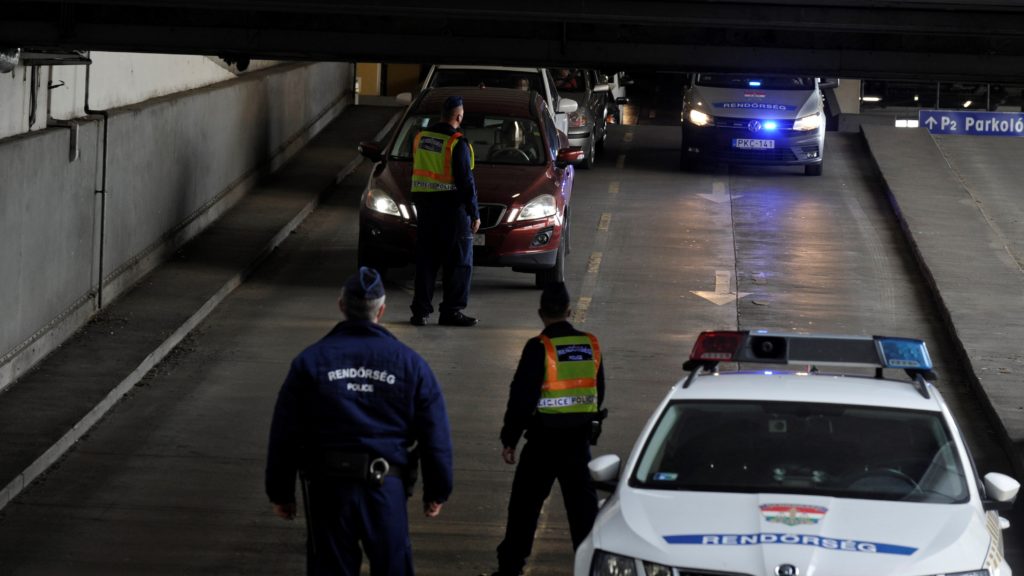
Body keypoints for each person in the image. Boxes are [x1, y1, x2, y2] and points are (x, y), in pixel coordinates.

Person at [266, 267, 454, 576]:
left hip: (328, 492)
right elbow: (435, 434)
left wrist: (280, 492)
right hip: (385, 489)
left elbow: (284, 432)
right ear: (381, 310)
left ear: (341, 306)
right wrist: (437, 490)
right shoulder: (410, 365)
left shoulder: (310, 362)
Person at [488, 282, 607, 576]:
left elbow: (521, 397)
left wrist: (510, 438)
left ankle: (510, 569)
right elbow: (598, 391)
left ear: (541, 313)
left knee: (524, 511)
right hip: (578, 444)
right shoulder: (590, 344)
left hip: (542, 443)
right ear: (569, 311)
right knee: (584, 514)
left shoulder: (538, 347)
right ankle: (592, 568)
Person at [409, 94, 481, 327]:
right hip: (451, 210)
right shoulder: (457, 143)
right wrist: (474, 213)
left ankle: (420, 312)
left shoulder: (421, 138)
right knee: (460, 262)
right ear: (459, 116)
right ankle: (451, 311)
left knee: (426, 262)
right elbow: (465, 182)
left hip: (426, 209)